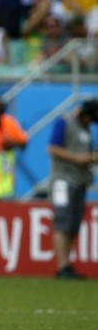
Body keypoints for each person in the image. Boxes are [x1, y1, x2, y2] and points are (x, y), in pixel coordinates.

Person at [47, 99, 98, 279]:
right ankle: (61, 267)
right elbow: (52, 149)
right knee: (62, 221)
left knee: (73, 224)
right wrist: (78, 158)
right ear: (85, 115)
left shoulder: (86, 129)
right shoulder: (64, 121)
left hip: (80, 180)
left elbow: (87, 153)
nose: (90, 123)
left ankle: (66, 265)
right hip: (62, 180)